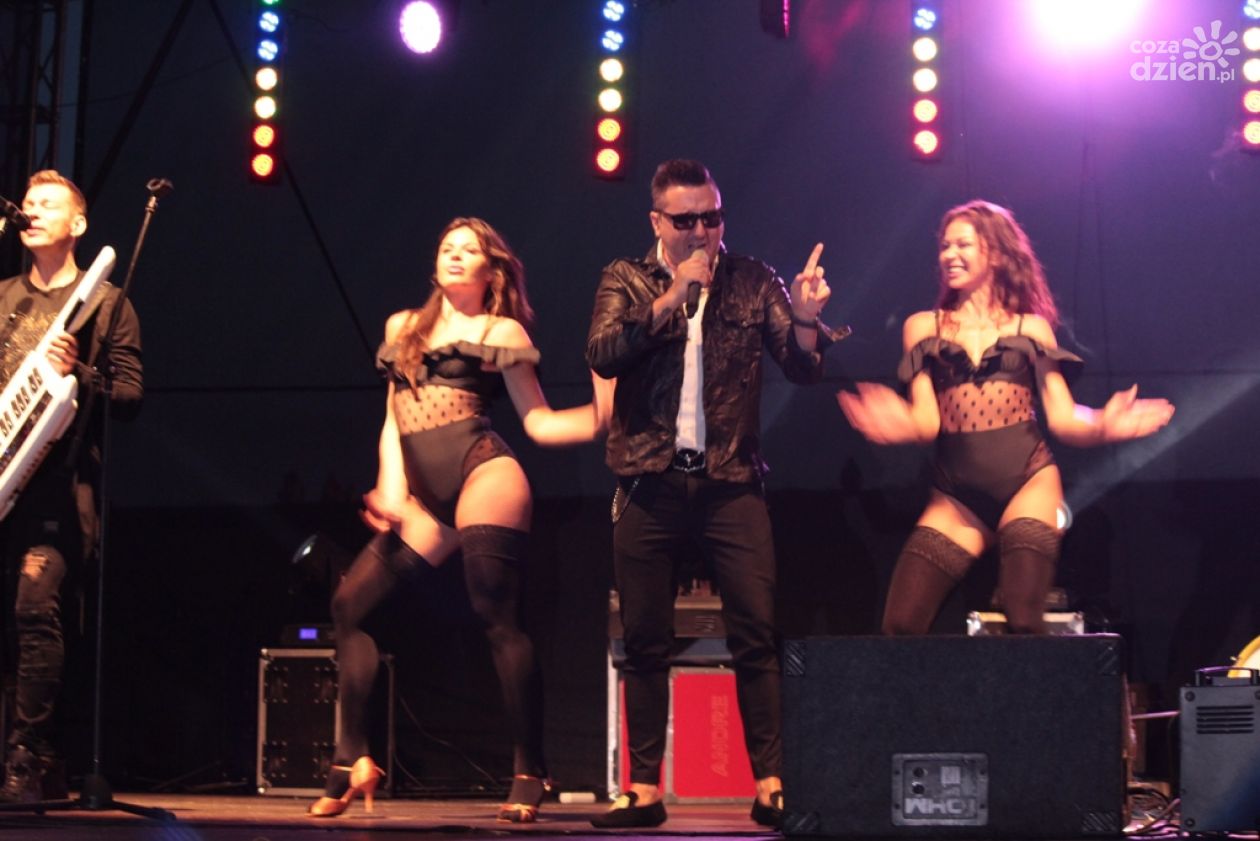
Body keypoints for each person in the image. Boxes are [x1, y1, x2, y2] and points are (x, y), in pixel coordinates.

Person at [309, 217, 610, 822]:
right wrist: (391, 487)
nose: (454, 255)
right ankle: (351, 759)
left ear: (490, 271)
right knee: (348, 606)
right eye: (447, 246)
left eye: (468, 249)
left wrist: (601, 414)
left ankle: (530, 770)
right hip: (424, 498)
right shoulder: (402, 328)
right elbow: (393, 418)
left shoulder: (500, 332)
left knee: (495, 616)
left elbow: (538, 422)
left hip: (484, 473)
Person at [585, 159, 845, 828]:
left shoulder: (753, 279)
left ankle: (773, 783)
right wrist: (671, 297)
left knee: (756, 631)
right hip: (648, 478)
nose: (701, 230)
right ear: (657, 221)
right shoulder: (625, 278)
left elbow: (802, 367)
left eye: (712, 217)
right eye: (686, 220)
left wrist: (807, 319)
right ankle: (644, 789)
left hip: (730, 480)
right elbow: (603, 352)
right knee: (645, 637)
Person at [838, 200, 1174, 636]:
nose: (949, 254)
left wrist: (1105, 425)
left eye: (962, 244)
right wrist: (897, 423)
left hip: (1029, 481)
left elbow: (1063, 418)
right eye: (944, 246)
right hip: (955, 498)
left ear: (995, 253)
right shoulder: (922, 327)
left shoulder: (1030, 329)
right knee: (901, 624)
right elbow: (926, 422)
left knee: (1022, 616)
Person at [0, 170, 143, 802]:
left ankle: (29, 757)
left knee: (35, 608)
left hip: (60, 486)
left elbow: (130, 396)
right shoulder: (3, 298)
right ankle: (42, 760)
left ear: (77, 224)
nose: (31, 210)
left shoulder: (105, 302)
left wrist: (80, 371)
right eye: (28, 202)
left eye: (47, 203)